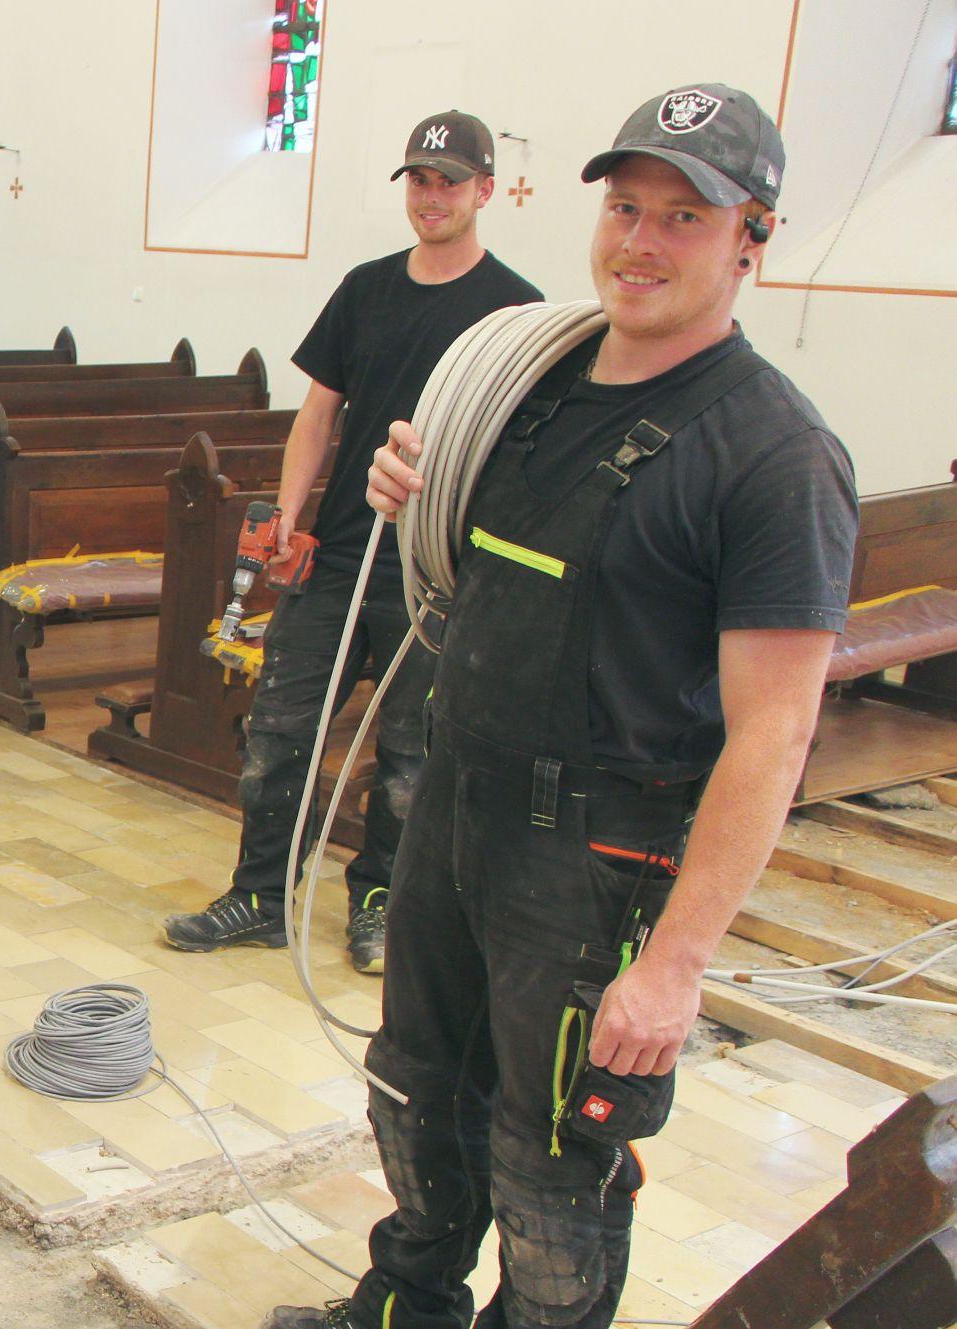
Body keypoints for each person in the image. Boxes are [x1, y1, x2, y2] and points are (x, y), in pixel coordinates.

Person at [267, 85, 858, 1329]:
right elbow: (460, 563)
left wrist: (677, 964)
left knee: (549, 1169)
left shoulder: (773, 456)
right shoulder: (527, 384)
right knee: (416, 1091)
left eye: (684, 218)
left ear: (753, 236)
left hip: (597, 862)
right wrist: (399, 488)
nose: (639, 242)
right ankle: (401, 1308)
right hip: (456, 807)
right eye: (625, 207)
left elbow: (775, 730)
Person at [163, 111, 541, 973]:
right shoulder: (367, 289)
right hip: (338, 555)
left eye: (449, 181)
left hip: (437, 570)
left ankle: (377, 904)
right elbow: (319, 414)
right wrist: (289, 515)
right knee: (280, 733)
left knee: (409, 756)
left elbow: (519, 448)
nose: (432, 196)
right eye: (419, 179)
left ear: (485, 190)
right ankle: (261, 896)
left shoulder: (514, 309)